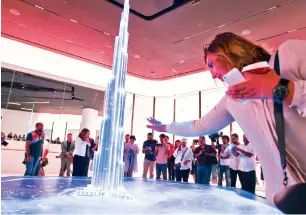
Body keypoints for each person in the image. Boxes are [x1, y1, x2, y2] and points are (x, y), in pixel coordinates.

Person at [147, 33, 306, 204]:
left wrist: (281, 88)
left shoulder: (289, 56)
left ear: (228, 52)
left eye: (211, 65)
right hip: (281, 200)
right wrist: (166, 128)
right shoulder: (232, 101)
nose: (213, 75)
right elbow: (198, 126)